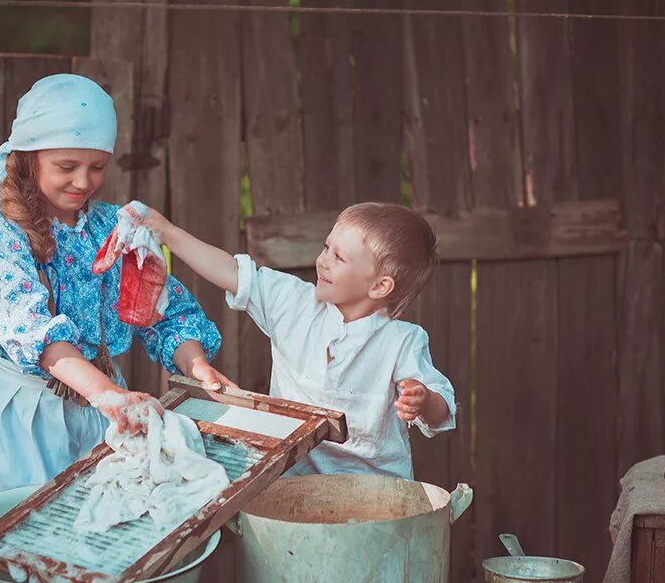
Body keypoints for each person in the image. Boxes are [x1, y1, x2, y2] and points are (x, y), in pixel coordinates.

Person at [0, 74, 234, 514]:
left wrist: (197, 366)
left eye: (97, 167)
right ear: (29, 159)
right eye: (67, 166)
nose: (84, 181)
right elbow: (31, 328)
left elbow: (163, 309)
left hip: (98, 415)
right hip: (23, 417)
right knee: (11, 541)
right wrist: (107, 394)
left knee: (89, 545)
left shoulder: (112, 228)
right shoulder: (3, 229)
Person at [140, 201, 456, 479]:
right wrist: (164, 231)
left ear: (379, 286)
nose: (323, 261)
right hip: (291, 477)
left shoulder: (402, 341)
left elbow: (442, 408)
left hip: (373, 494)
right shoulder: (294, 303)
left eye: (339, 258)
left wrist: (425, 401)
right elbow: (231, 271)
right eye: (326, 247)